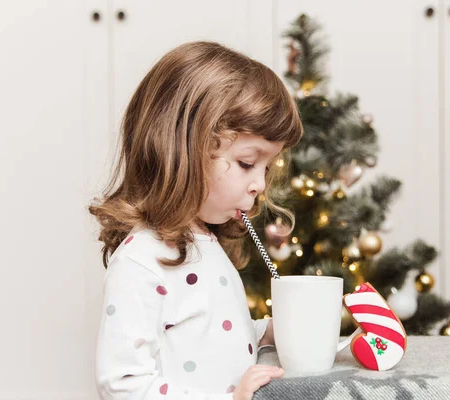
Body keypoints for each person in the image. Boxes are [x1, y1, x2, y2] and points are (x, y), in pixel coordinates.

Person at [88, 41, 303, 399]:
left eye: (268, 166)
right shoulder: (143, 259)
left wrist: (263, 333)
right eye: (248, 163)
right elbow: (122, 385)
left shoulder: (205, 241)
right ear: (183, 147)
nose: (261, 184)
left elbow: (212, 338)